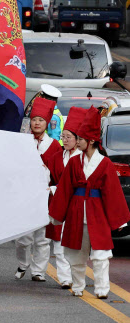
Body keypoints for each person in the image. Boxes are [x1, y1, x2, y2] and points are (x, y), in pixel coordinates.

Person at [49, 106, 130, 299]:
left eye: (81, 139)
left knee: (101, 255)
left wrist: (118, 220)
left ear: (91, 141)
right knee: (76, 255)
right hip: (76, 211)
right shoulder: (74, 163)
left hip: (97, 213)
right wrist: (57, 215)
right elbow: (65, 190)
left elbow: (112, 193)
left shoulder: (105, 164)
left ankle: (102, 289)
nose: (78, 142)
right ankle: (78, 286)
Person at [14, 97, 62, 282]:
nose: (37, 123)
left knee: (42, 238)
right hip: (25, 197)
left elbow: (59, 174)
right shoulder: (22, 142)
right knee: (23, 238)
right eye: (34, 119)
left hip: (45, 197)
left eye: (41, 120)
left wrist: (53, 188)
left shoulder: (55, 146)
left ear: (47, 123)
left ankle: (38, 271)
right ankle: (22, 264)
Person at [46, 106, 85, 290]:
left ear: (78, 140)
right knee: (59, 243)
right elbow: (49, 176)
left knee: (76, 244)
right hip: (59, 203)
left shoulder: (84, 158)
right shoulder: (55, 157)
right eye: (63, 136)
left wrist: (57, 188)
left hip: (78, 204)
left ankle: (76, 275)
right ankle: (64, 278)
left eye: (69, 137)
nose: (65, 140)